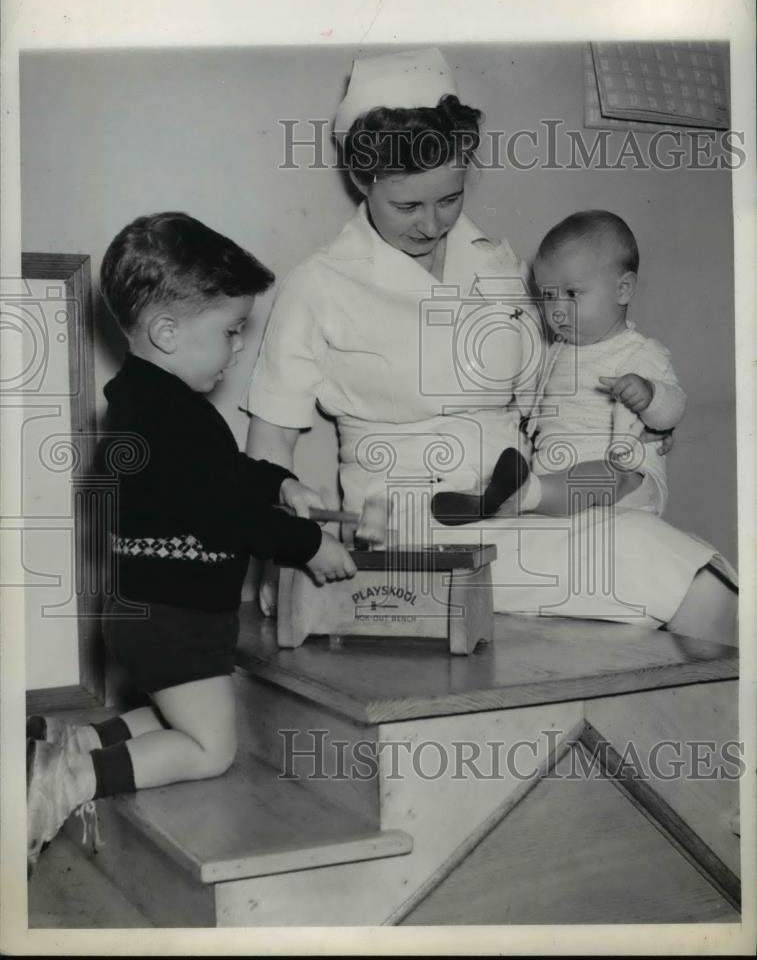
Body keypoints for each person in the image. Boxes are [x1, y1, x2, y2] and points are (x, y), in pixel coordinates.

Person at [243, 47, 737, 645]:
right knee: (668, 571)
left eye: (449, 199)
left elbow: (548, 393)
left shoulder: (499, 265)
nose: (432, 224)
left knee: (702, 579)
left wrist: (643, 421)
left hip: (528, 509)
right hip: (414, 533)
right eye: (408, 205)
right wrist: (278, 555)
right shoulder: (318, 286)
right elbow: (269, 448)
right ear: (361, 179)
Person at [26, 212, 356, 877]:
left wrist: (279, 479)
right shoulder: (170, 416)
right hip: (176, 618)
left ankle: (70, 743)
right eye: (231, 332)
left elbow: (223, 478)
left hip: (146, 611)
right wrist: (304, 543)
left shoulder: (151, 406)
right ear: (167, 332)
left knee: (169, 713)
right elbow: (222, 508)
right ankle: (68, 784)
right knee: (209, 748)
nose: (238, 349)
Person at [431, 210, 686, 523]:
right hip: (556, 473)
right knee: (548, 480)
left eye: (572, 294)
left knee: (607, 475)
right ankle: (496, 498)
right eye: (549, 296)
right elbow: (534, 402)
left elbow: (673, 406)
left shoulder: (642, 353)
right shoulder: (556, 351)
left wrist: (650, 396)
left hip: (627, 481)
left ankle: (523, 495)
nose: (557, 311)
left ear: (623, 289)